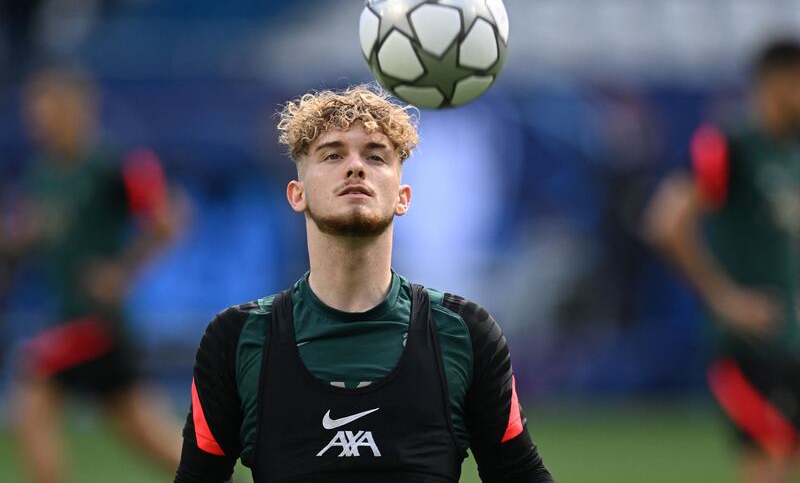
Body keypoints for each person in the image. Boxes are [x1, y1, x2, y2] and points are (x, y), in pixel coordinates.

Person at [174, 86, 554, 483]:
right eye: (333, 154)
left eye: (375, 156)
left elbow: (520, 474)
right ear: (297, 194)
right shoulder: (235, 339)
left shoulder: (464, 333)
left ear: (402, 197)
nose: (355, 167)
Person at [4, 66, 183, 483]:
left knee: (31, 376)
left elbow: (170, 219)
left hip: (96, 320)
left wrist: (121, 272)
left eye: (44, 104)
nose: (35, 116)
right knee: (146, 435)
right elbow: (28, 235)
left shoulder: (111, 163)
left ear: (76, 107)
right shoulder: (45, 173)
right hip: (71, 316)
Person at [645, 39, 800, 483]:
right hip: (746, 347)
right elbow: (665, 221)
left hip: (789, 339)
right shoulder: (732, 144)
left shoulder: (790, 150)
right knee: (768, 461)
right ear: (776, 82)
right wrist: (725, 298)